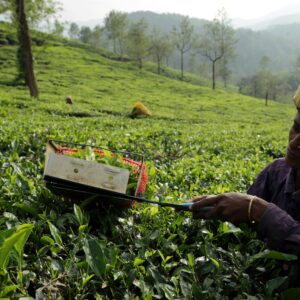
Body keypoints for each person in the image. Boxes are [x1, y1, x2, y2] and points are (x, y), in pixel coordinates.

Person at [189, 87, 300, 258]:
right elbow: (243, 215)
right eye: (296, 127)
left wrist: (258, 210)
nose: (293, 144)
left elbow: (253, 208)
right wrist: (219, 205)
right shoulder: (276, 172)